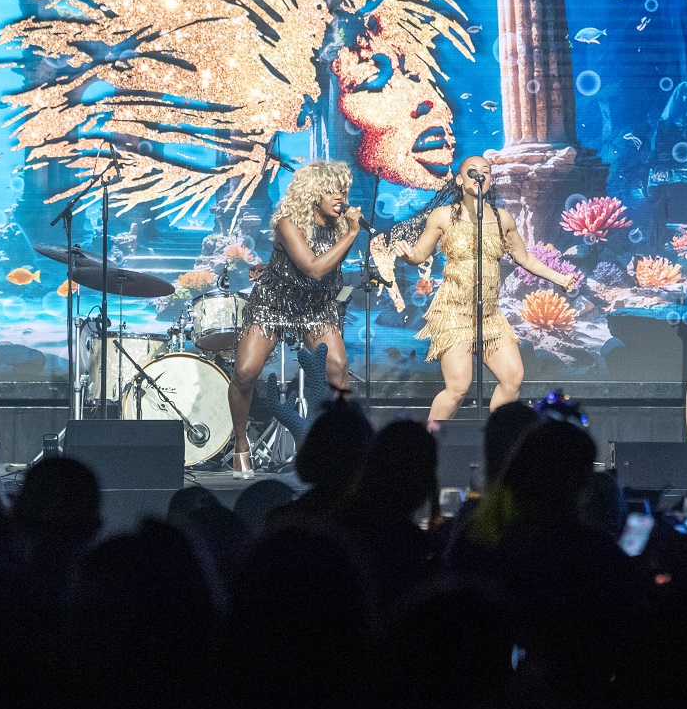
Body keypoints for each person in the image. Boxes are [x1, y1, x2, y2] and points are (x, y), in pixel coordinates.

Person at [393, 156, 577, 420]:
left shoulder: (503, 219)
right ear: (459, 180)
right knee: (458, 388)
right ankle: (429, 440)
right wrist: (409, 255)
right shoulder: (443, 216)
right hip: (454, 313)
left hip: (489, 315)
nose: (479, 175)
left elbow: (524, 258)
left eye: (486, 172)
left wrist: (560, 278)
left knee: (513, 377)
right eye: (472, 171)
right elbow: (420, 253)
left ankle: (497, 436)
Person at [228, 161, 362, 478]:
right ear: (312, 194)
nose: (339, 197)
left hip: (315, 305)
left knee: (338, 369)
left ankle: (341, 449)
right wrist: (353, 233)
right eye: (330, 191)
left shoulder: (338, 227)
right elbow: (314, 268)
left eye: (342, 190)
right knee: (245, 373)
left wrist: (348, 233)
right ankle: (241, 444)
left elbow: (329, 273)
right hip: (274, 302)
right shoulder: (288, 224)